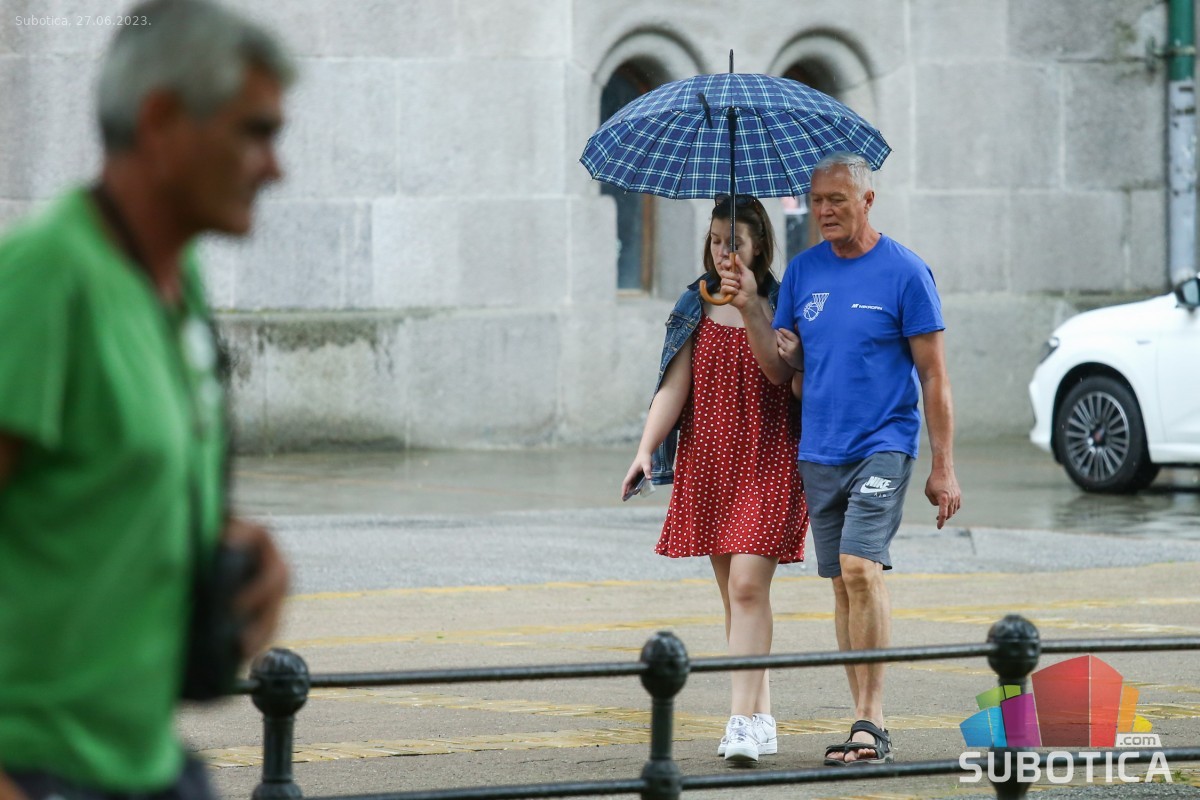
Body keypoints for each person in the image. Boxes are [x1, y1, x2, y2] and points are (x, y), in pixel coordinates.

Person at [0, 2, 295, 798]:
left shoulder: (174, 279)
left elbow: (98, 484)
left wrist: (231, 542)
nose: (275, 168)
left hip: (151, 768)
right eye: (255, 132)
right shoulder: (44, 279)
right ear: (162, 121)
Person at [719, 152, 962, 766]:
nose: (825, 211)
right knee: (841, 584)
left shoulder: (905, 272)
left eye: (837, 200)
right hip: (820, 450)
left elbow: (934, 376)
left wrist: (943, 466)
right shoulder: (803, 272)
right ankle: (861, 718)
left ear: (867, 201)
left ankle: (871, 721)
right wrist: (751, 307)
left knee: (859, 567)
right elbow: (783, 374)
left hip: (884, 443)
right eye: (817, 201)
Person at [622, 194, 809, 765]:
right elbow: (673, 386)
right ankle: (762, 716)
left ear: (760, 245)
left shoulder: (782, 301)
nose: (725, 251)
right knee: (737, 597)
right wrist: (645, 450)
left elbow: (783, 377)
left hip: (769, 456)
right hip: (710, 458)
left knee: (748, 588)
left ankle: (741, 722)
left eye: (736, 242)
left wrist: (753, 308)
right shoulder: (695, 302)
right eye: (717, 240)